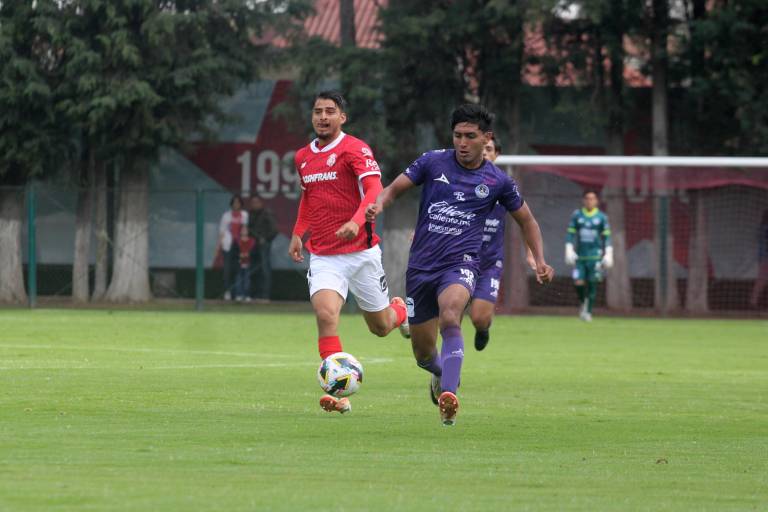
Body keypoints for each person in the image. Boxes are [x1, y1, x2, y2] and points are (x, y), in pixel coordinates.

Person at [367, 104, 554, 426]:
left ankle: (449, 396)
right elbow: (393, 190)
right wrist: (377, 204)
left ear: (487, 139)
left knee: (452, 316)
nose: (463, 143)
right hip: (420, 268)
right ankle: (440, 374)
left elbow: (528, 221)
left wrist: (539, 259)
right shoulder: (432, 161)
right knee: (423, 354)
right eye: (458, 136)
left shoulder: (498, 181)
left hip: (462, 264)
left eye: (470, 136)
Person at [288, 90, 409, 415]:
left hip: (361, 252)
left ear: (342, 117)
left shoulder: (355, 149)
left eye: (330, 111)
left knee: (381, 327)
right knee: (326, 315)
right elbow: (308, 199)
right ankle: (338, 392)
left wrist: (357, 222)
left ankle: (401, 311)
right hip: (325, 255)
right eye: (317, 111)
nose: (322, 117)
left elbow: (373, 189)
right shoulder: (302, 157)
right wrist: (299, 233)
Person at [470, 138, 536, 351]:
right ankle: (445, 367)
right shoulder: (461, 181)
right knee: (449, 316)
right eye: (482, 149)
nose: (485, 153)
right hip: (458, 259)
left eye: (489, 149)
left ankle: (483, 328)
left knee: (479, 318)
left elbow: (525, 221)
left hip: (489, 263)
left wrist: (531, 253)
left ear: (496, 154)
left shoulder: (504, 185)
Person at [565, 190, 613, 321]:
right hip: (580, 258)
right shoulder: (577, 215)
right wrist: (568, 248)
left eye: (592, 198)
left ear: (596, 201)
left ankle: (588, 313)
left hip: (595, 257)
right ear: (583, 200)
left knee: (592, 284)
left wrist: (608, 253)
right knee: (578, 283)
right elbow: (570, 234)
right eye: (587, 198)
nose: (590, 201)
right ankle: (583, 302)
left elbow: (607, 236)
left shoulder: (602, 217)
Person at [216, 195, 249, 300]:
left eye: (238, 202)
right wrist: (218, 247)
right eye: (234, 202)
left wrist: (245, 245)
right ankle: (227, 292)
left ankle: (239, 293)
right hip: (228, 245)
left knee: (240, 269)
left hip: (240, 246)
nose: (236, 205)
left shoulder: (244, 215)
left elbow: (245, 229)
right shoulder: (226, 216)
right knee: (227, 270)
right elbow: (222, 232)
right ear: (231, 204)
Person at [247, 195, 278, 303]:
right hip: (252, 245)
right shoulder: (250, 214)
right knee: (254, 270)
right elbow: (248, 229)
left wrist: (265, 239)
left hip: (264, 246)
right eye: (253, 202)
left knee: (265, 270)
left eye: (256, 202)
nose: (254, 204)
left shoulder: (267, 213)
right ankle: (254, 295)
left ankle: (265, 295)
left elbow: (274, 230)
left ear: (261, 203)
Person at [748, 210, 768, 309]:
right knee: (762, 279)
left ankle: (753, 301)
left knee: (762, 279)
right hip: (765, 257)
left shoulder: (762, 228)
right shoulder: (765, 228)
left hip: (763, 257)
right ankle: (753, 301)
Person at [234, 225, 256, 302]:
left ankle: (247, 295)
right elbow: (234, 252)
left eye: (245, 229)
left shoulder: (252, 241)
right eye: (242, 230)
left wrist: (248, 255)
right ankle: (238, 295)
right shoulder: (237, 241)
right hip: (239, 264)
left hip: (249, 264)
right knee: (238, 280)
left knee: (247, 281)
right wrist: (239, 255)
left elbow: (255, 253)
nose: (244, 231)